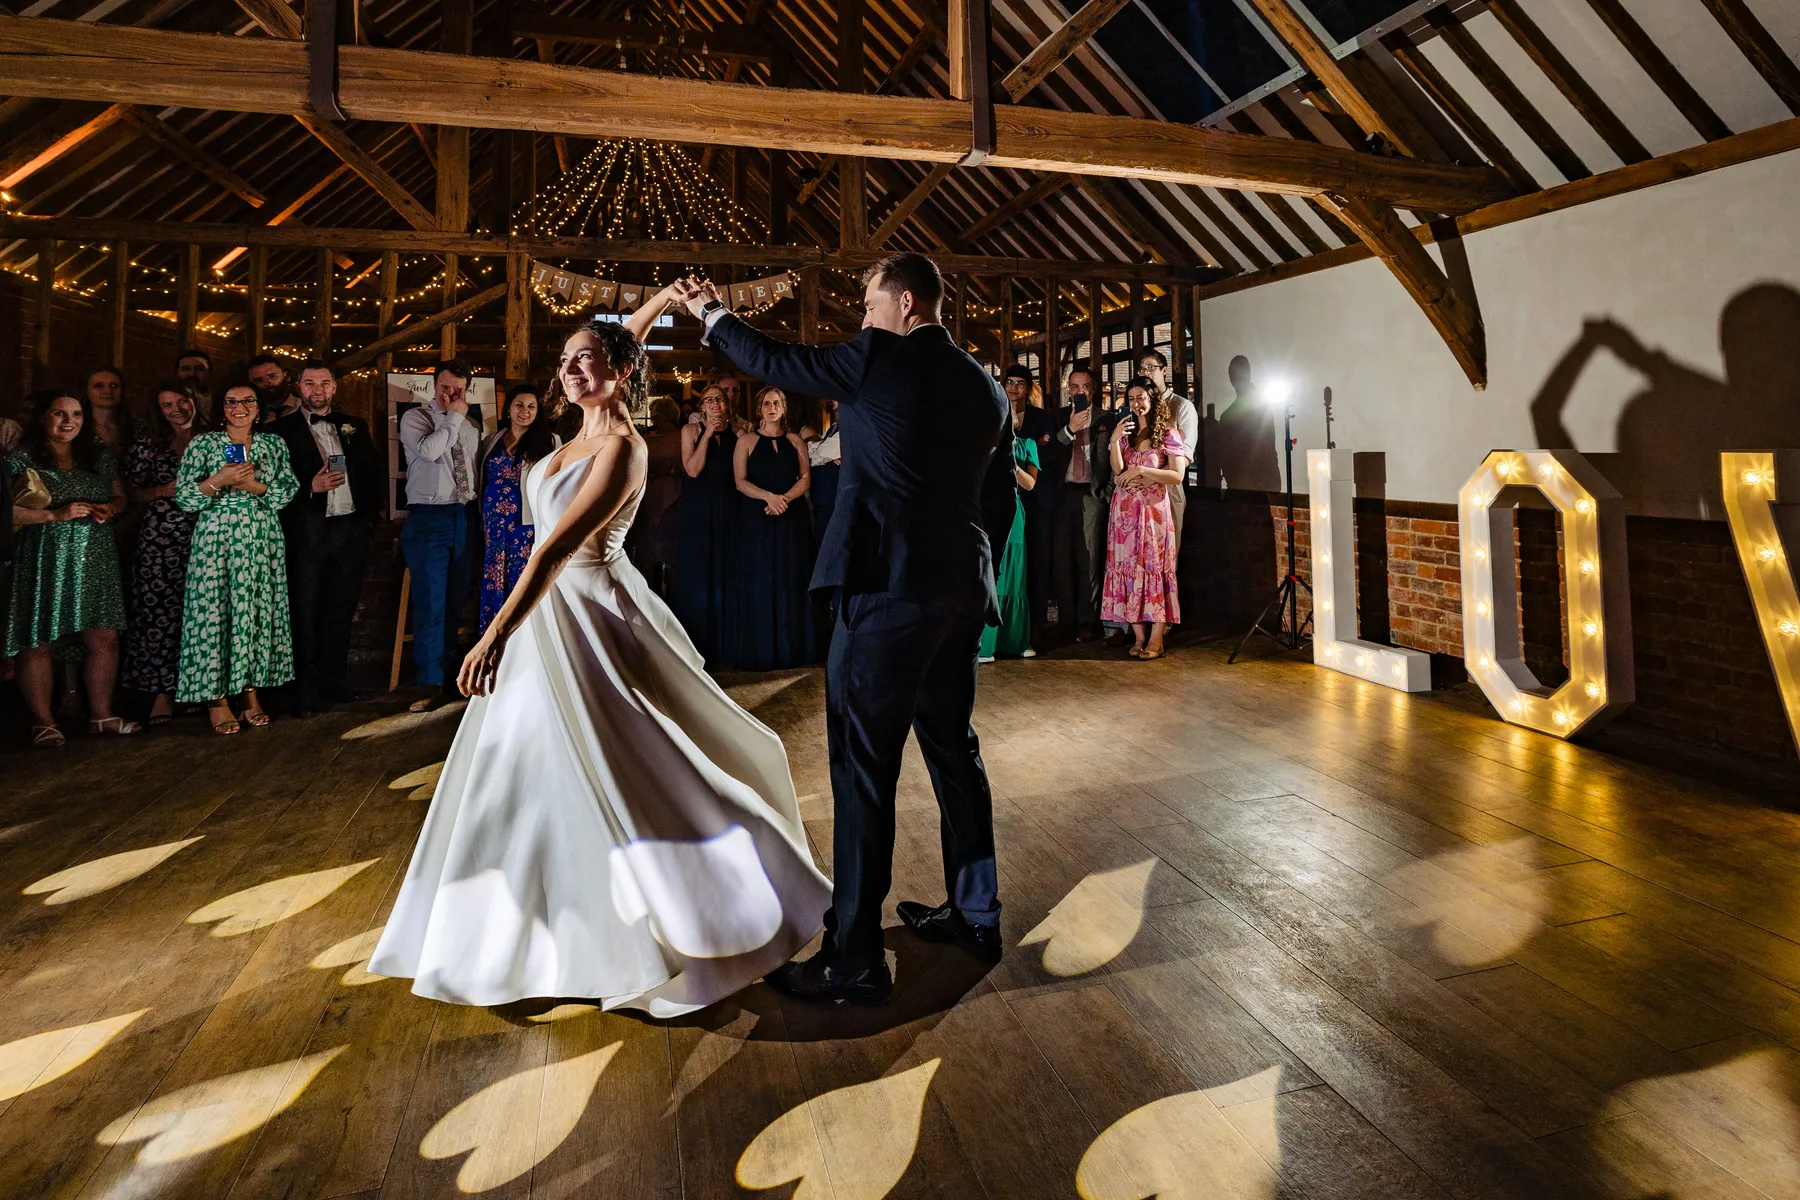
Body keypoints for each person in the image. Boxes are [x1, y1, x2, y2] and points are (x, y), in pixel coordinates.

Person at [368, 291, 831, 1014]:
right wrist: (661, 302)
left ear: (619, 370)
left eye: (587, 360)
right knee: (524, 769)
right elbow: (615, 342)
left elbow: (555, 548)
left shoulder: (623, 447)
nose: (572, 370)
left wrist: (493, 631)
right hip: (545, 614)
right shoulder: (568, 438)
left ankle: (716, 904)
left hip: (587, 610)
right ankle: (525, 933)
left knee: (632, 761)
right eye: (565, 361)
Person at [688, 250, 1008, 1004]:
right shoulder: (986, 386)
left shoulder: (879, 356)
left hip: (887, 591)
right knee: (954, 752)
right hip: (959, 591)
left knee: (864, 769)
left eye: (867, 304)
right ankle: (977, 913)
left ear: (903, 305)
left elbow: (779, 359)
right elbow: (981, 495)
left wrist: (712, 315)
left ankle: (855, 958)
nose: (860, 319)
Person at [5, 390, 136, 746]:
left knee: (104, 636)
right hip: (44, 554)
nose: (69, 422)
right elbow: (7, 510)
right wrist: (53, 515)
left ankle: (102, 715)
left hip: (96, 555)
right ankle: (43, 721)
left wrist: (110, 509)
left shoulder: (98, 457)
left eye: (76, 414)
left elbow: (119, 496)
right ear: (44, 417)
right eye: (59, 414)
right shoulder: (22, 458)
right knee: (39, 638)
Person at [175, 382, 299, 734]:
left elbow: (287, 490)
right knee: (215, 613)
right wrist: (220, 479)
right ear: (221, 407)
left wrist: (254, 487)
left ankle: (249, 692)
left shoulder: (272, 443)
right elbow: (185, 497)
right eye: (231, 401)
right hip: (216, 538)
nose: (239, 407)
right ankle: (216, 699)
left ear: (259, 408)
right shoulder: (203, 444)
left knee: (255, 612)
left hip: (262, 537)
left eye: (248, 401)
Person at [271, 360, 382, 715]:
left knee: (340, 609)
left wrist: (366, 524)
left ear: (334, 388)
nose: (316, 390)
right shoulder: (280, 432)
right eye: (309, 383)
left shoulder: (354, 426)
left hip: (349, 530)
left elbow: (371, 475)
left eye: (324, 383)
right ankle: (303, 692)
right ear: (298, 387)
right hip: (307, 533)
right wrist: (309, 488)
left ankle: (336, 683)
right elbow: (271, 488)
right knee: (303, 611)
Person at [121, 381, 209, 724]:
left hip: (206, 535)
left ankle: (199, 689)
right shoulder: (149, 444)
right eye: (167, 405)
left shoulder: (215, 437)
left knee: (201, 613)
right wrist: (164, 489)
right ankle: (161, 695)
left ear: (194, 400)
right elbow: (130, 492)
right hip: (161, 539)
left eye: (181, 401)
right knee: (160, 614)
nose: (176, 409)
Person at [398, 359, 481, 712]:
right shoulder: (416, 419)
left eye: (458, 389)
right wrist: (454, 417)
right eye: (445, 387)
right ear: (435, 386)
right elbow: (431, 451)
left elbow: (474, 471)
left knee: (455, 598)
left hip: (464, 516)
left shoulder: (472, 426)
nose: (450, 394)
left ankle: (450, 675)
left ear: (467, 389)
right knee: (431, 600)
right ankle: (429, 682)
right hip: (428, 517)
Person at [1102, 377, 1189, 661]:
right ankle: (1138, 635)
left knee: (1154, 568)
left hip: (1153, 514)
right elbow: (1117, 470)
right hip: (1124, 513)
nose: (1136, 404)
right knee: (1126, 568)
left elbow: (1176, 476)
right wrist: (1115, 440)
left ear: (1152, 399)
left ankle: (1156, 638)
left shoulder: (1168, 434)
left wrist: (1142, 472)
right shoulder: (1126, 436)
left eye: (1141, 397)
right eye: (1131, 398)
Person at [731, 386, 813, 670]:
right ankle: (761, 651)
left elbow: (805, 479)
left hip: (792, 518)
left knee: (791, 578)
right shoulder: (747, 440)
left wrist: (784, 500)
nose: (771, 407)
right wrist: (769, 498)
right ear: (759, 409)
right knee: (761, 578)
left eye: (776, 403)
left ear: (784, 408)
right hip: (758, 517)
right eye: (766, 403)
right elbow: (740, 481)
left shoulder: (795, 440)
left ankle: (793, 650)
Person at [477, 383, 561, 631]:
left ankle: (522, 635)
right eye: (519, 405)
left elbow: (557, 485)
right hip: (494, 524)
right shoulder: (492, 440)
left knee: (521, 577)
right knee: (494, 576)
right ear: (508, 408)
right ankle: (492, 635)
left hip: (526, 523)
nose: (525, 411)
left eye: (531, 406)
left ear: (538, 412)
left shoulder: (550, 441)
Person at [672, 384, 738, 662]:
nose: (713, 404)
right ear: (701, 408)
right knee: (700, 568)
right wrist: (708, 433)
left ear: (726, 405)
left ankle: (728, 642)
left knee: (728, 568)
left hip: (730, 506)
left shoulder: (739, 433)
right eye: (708, 400)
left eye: (718, 399)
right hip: (699, 507)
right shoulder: (691, 432)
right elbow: (693, 469)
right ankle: (698, 642)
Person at [1052, 369, 1118, 643]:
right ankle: (1066, 620)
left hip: (1093, 495)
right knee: (1061, 559)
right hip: (1062, 494)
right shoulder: (1056, 417)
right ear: (1068, 389)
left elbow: (1118, 453)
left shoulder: (1107, 419)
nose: (1080, 391)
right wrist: (1070, 430)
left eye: (1086, 386)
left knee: (1089, 560)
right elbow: (1049, 452)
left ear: (1094, 390)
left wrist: (1107, 493)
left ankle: (1086, 621)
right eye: (1075, 386)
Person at [1002, 364, 1054, 643]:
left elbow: (1046, 453)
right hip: (1004, 495)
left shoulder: (1040, 416)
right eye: (1009, 381)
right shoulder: (996, 410)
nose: (1013, 387)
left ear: (1028, 387)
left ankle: (1033, 625)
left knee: (1036, 561)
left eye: (1019, 383)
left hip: (1036, 498)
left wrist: (1030, 448)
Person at [979, 421, 1038, 663]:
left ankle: (1015, 641)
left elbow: (1030, 483)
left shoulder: (1027, 445)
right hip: (989, 509)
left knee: (1014, 575)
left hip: (1015, 512)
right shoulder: (984, 445)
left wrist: (1009, 457)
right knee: (994, 572)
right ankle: (986, 644)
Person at [1135, 349, 1199, 554]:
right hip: (1137, 494)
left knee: (1166, 555)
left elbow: (1186, 455)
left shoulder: (1181, 406)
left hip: (1167, 492)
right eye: (1142, 369)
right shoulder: (1136, 407)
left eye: (1151, 368)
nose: (1146, 372)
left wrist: (1151, 476)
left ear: (1164, 371)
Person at [627, 396, 683, 592]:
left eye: (656, 414)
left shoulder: (681, 437)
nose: (652, 418)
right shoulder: (647, 439)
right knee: (648, 554)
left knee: (672, 552)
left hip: (675, 496)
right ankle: (650, 596)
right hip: (649, 497)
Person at [85, 367, 135, 456]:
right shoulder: (75, 427)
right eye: (99, 386)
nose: (108, 391)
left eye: (114, 386)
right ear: (87, 391)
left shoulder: (137, 427)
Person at [247, 353, 298, 425]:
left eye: (272, 376)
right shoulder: (250, 415)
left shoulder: (306, 408)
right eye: (259, 380)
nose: (267, 383)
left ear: (285, 375)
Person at [176, 348, 213, 417]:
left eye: (199, 369)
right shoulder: (163, 403)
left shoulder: (221, 404)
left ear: (209, 373)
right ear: (177, 373)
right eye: (186, 369)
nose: (192, 374)